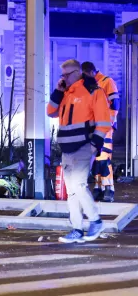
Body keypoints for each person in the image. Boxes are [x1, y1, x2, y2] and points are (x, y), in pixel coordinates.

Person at [47, 59, 112, 243]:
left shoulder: (93, 91)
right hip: (68, 148)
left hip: (84, 146)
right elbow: (50, 111)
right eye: (62, 75)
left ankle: (95, 220)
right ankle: (77, 228)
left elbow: (104, 122)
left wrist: (94, 145)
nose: (64, 78)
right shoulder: (66, 92)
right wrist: (58, 92)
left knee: (78, 185)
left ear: (77, 73)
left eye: (66, 75)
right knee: (72, 190)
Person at [81, 61, 120, 202]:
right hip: (94, 127)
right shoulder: (90, 85)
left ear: (91, 72)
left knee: (103, 158)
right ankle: (99, 188)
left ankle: (109, 188)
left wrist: (108, 122)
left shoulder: (106, 82)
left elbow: (115, 103)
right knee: (97, 159)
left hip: (104, 127)